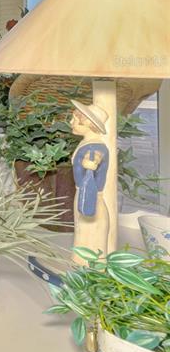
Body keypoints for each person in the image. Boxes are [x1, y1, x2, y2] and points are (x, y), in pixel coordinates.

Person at [69, 99, 110, 261]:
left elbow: (95, 157)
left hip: (90, 197)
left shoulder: (95, 147)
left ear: (88, 124)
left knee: (89, 234)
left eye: (75, 119)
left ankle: (88, 265)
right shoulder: (87, 143)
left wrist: (92, 161)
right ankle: (82, 264)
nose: (71, 122)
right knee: (82, 231)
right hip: (83, 194)